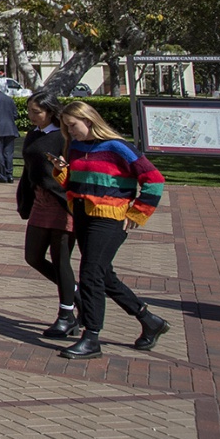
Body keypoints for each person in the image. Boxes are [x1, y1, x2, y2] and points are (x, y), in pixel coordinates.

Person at [52, 101, 169, 360]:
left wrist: (138, 211)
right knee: (104, 275)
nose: (70, 132)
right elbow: (76, 181)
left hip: (109, 218)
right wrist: (61, 172)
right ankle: (149, 319)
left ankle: (91, 337)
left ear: (89, 121)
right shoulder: (76, 147)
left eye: (73, 126)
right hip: (83, 213)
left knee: (90, 273)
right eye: (66, 128)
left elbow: (154, 179)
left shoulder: (118, 147)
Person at [17, 92, 78, 338]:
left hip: (63, 202)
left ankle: (67, 315)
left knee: (61, 259)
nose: (31, 116)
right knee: (33, 256)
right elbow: (28, 169)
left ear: (50, 112)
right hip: (41, 201)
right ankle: (77, 295)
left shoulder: (64, 136)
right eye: (30, 111)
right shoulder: (33, 135)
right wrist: (24, 200)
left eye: (36, 112)